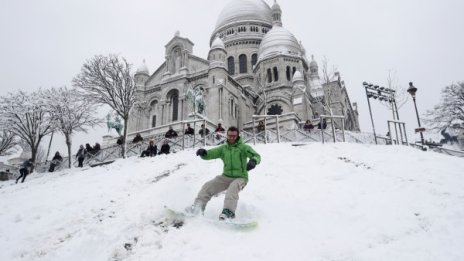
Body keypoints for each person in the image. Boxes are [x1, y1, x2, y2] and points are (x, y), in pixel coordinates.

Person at [187, 126, 261, 220]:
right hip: (226, 176)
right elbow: (212, 153)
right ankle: (197, 208)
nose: (232, 138)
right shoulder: (223, 148)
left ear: (238, 136)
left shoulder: (244, 147)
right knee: (207, 186)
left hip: (241, 177)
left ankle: (228, 212)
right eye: (230, 136)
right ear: (227, 136)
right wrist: (204, 153)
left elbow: (256, 155)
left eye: (234, 136)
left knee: (232, 189)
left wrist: (253, 161)